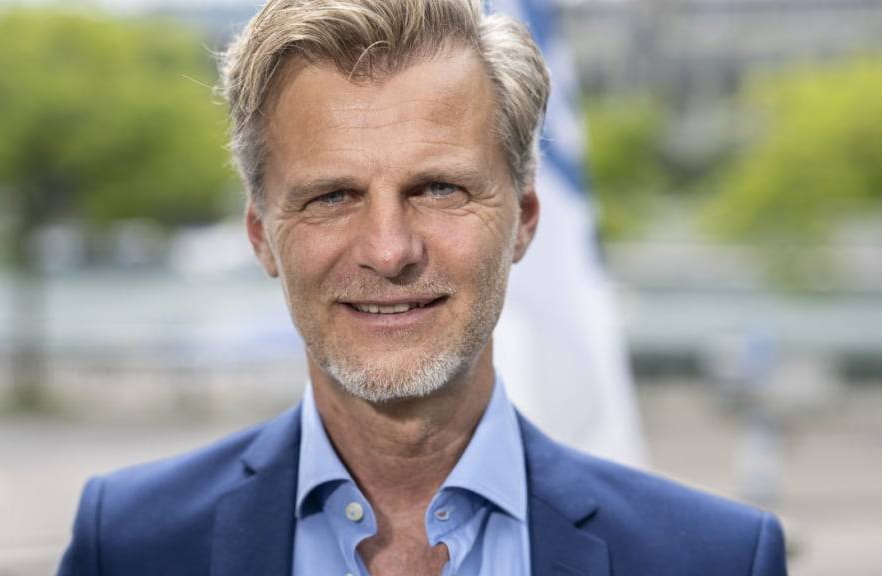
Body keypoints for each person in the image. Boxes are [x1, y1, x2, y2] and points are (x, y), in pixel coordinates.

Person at [58, 1, 787, 574]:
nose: (389, 251)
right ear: (261, 236)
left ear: (525, 220)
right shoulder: (127, 545)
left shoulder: (716, 560)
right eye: (332, 196)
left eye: (439, 188)